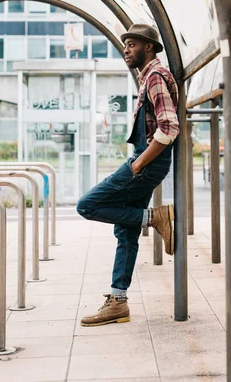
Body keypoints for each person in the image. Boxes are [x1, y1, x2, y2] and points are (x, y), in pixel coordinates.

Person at [76, 24, 179, 326]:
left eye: (132, 44)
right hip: (145, 163)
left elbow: (169, 127)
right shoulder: (146, 77)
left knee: (87, 205)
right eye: (125, 45)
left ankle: (155, 218)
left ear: (148, 47)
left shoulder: (156, 78)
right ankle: (118, 301)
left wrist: (137, 165)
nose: (126, 49)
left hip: (144, 164)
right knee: (125, 229)